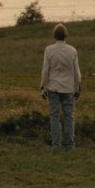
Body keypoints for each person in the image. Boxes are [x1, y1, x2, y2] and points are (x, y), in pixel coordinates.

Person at [40, 23, 82, 151]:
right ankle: (70, 145)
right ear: (66, 35)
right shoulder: (72, 50)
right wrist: (77, 87)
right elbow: (77, 72)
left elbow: (45, 70)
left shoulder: (49, 50)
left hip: (53, 87)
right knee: (69, 116)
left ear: (54, 36)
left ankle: (56, 145)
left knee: (54, 116)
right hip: (68, 88)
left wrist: (43, 87)